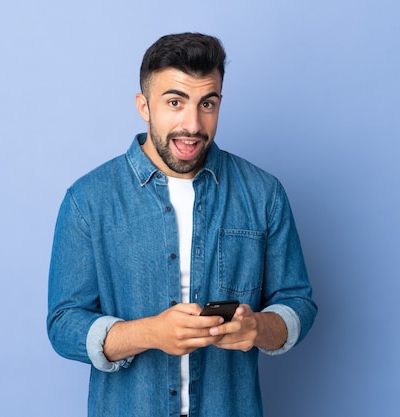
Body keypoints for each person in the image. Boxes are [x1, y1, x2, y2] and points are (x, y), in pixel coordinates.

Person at [47, 32, 317, 417]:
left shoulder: (263, 193)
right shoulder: (88, 199)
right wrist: (149, 334)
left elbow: (297, 303)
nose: (193, 124)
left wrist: (257, 327)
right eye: (175, 102)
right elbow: (63, 325)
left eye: (207, 103)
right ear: (144, 106)